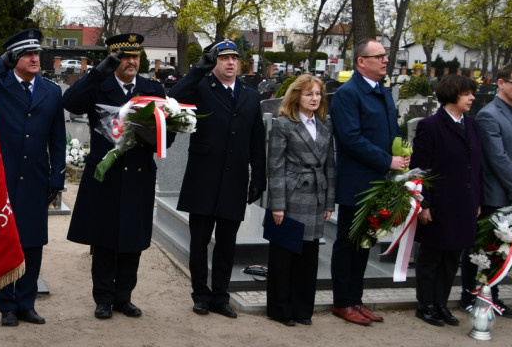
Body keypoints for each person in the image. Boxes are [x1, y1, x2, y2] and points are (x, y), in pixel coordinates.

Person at [63, 34, 170, 319]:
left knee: (132, 239)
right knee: (104, 237)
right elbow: (71, 102)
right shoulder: (99, 86)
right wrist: (97, 72)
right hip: (106, 175)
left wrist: (150, 135)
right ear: (114, 59)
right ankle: (103, 298)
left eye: (136, 56)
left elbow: (166, 137)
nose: (132, 61)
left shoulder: (151, 88)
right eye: (125, 56)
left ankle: (124, 297)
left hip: (138, 174)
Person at [172, 40, 266, 318]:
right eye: (223, 58)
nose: (230, 63)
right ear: (215, 62)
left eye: (234, 58)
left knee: (227, 243)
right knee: (200, 242)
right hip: (204, 177)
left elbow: (256, 140)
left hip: (235, 179)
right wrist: (196, 71)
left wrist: (258, 177)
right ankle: (200, 295)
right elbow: (174, 98)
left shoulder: (250, 96)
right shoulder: (201, 87)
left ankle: (220, 296)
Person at [0, 28, 66, 327]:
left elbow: (58, 138)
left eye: (37, 53)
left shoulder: (51, 91)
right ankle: (6, 304)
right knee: (5, 240)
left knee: (33, 242)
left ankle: (26, 303)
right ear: (14, 58)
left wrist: (56, 177)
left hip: (35, 178)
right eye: (27, 54)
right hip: (2, 177)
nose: (35, 58)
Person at [328, 39, 404, 326]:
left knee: (365, 242)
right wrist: (387, 160)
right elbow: (351, 139)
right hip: (357, 181)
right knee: (348, 242)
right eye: (379, 56)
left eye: (386, 56)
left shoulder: (382, 92)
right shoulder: (348, 94)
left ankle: (356, 299)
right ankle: (342, 302)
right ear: (361, 61)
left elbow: (391, 129)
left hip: (380, 182)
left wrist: (400, 155)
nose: (386, 60)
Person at [458, 63, 512, 317]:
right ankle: (470, 297)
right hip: (495, 194)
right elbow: (497, 158)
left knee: (502, 252)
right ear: (501, 83)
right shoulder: (490, 114)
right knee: (483, 249)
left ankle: (493, 296)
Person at [410, 75, 483, 327]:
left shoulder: (472, 125)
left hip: (464, 202)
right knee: (432, 257)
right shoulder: (430, 126)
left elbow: (476, 166)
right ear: (452, 95)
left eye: (472, 93)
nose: (472, 98)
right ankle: (425, 304)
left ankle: (441, 303)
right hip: (439, 202)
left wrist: (477, 200)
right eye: (466, 94)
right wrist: (424, 204)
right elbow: (421, 169)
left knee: (452, 257)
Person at [265, 75, 334, 326]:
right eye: (309, 94)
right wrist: (278, 204)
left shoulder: (326, 124)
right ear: (297, 97)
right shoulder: (284, 124)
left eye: (317, 94)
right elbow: (275, 166)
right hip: (293, 193)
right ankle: (281, 309)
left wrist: (329, 203)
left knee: (309, 256)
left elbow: (330, 165)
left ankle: (303, 309)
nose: (314, 98)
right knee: (285, 256)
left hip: (316, 194)